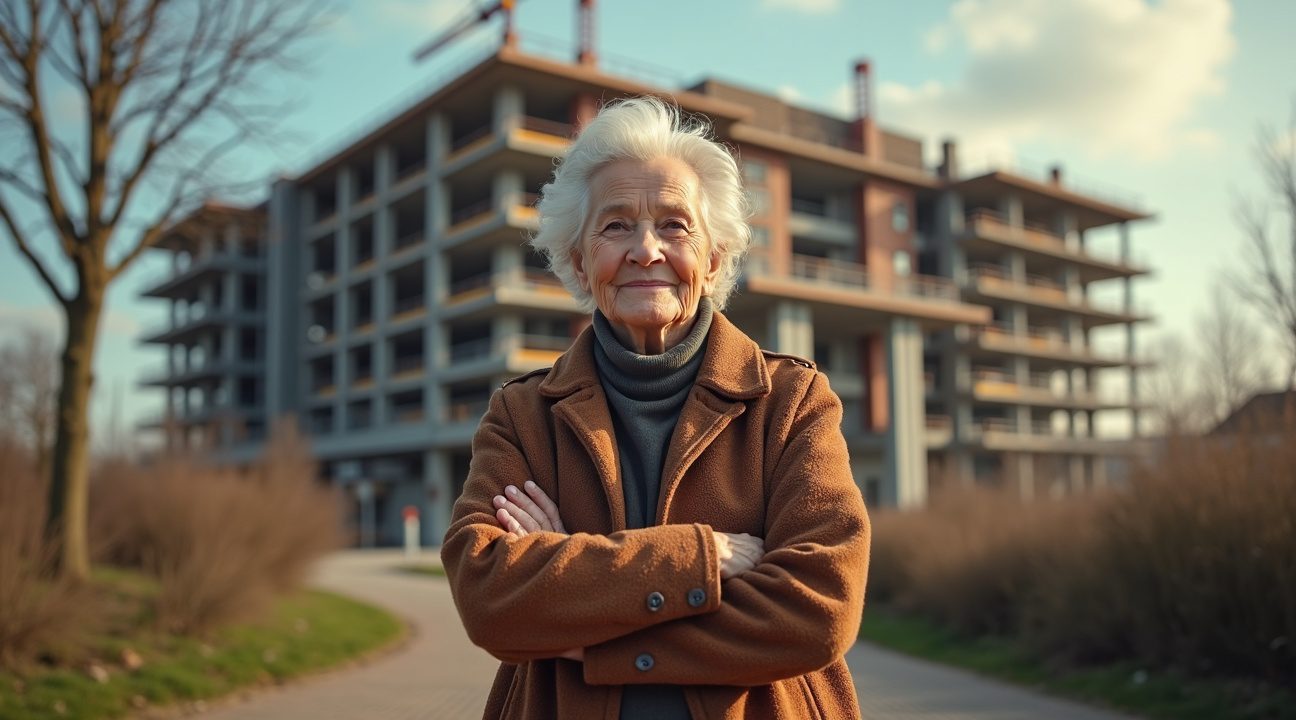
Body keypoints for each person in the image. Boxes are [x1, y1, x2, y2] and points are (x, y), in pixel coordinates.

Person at [441, 96, 871, 719]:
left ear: (714, 257)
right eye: (615, 226)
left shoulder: (792, 402)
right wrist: (704, 560)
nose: (646, 250)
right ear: (580, 262)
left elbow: (820, 609)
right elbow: (489, 597)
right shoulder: (521, 415)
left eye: (675, 225)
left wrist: (577, 605)